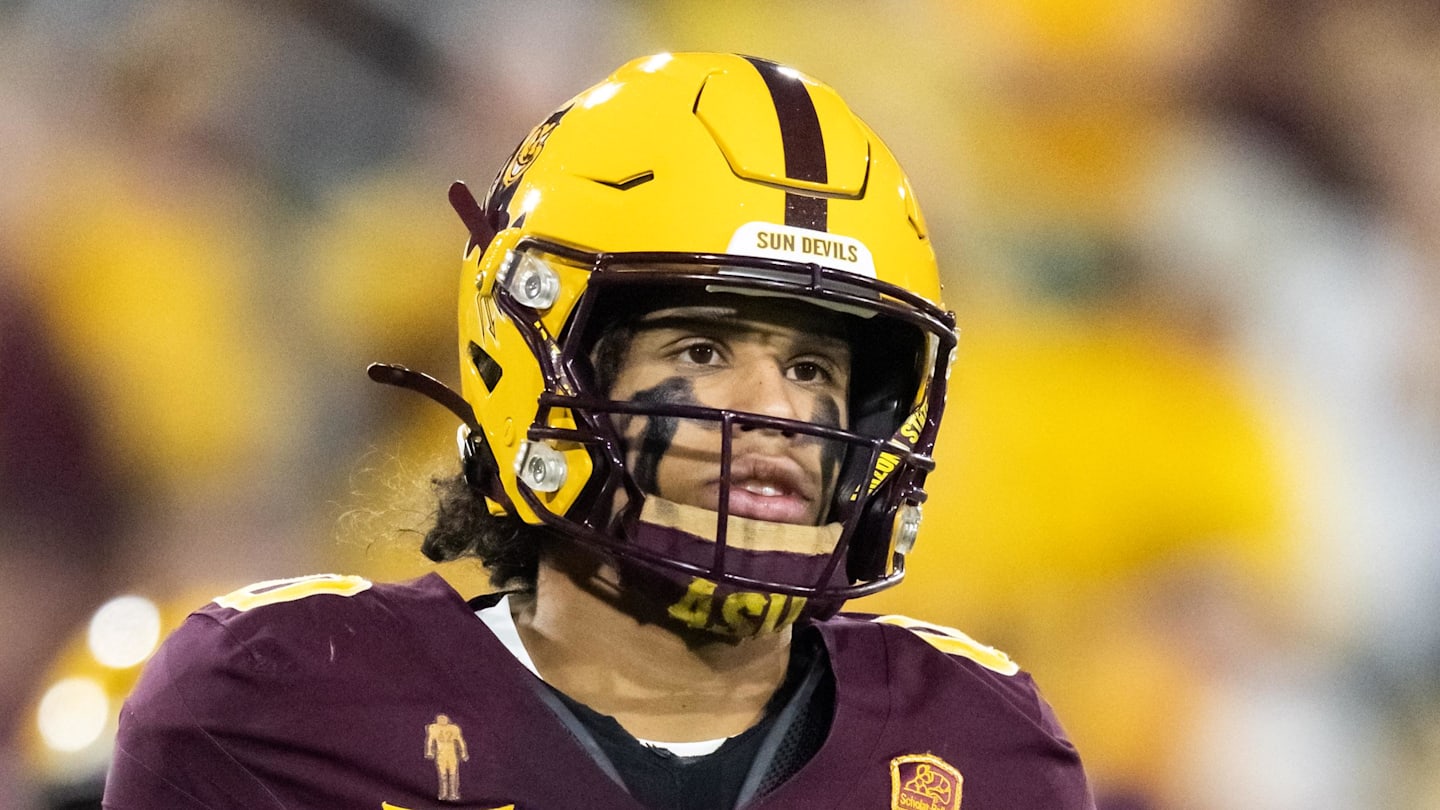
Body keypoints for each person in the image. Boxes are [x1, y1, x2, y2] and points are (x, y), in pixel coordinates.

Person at [104, 53, 1094, 809]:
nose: (778, 413)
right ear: (544, 362)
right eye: (702, 348)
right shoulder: (278, 712)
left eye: (812, 369)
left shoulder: (982, 752)